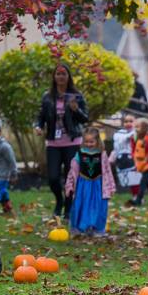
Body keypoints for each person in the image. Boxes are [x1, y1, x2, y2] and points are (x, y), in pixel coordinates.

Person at [34, 63, 89, 219]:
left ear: (68, 76)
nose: (60, 77)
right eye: (58, 74)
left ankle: (68, 208)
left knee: (70, 177)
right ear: (54, 76)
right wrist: (38, 127)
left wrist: (75, 109)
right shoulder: (47, 96)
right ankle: (60, 201)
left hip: (72, 142)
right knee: (52, 178)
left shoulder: (76, 96)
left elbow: (85, 119)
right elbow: (40, 117)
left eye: (64, 74)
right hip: (53, 143)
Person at [65, 127, 116, 237]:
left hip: (98, 185)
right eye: (86, 141)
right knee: (81, 205)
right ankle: (79, 228)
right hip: (83, 185)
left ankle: (96, 228)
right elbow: (73, 171)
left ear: (97, 141)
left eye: (91, 141)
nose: (89, 144)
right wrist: (69, 185)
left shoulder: (102, 154)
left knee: (98, 206)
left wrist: (111, 186)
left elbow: (107, 171)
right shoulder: (79, 154)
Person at [111, 113, 140, 199]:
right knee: (130, 178)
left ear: (135, 122)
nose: (128, 123)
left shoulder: (138, 133)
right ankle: (135, 195)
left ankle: (138, 195)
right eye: (126, 121)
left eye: (131, 121)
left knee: (137, 178)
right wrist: (112, 157)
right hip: (124, 159)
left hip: (136, 158)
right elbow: (116, 147)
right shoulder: (119, 134)